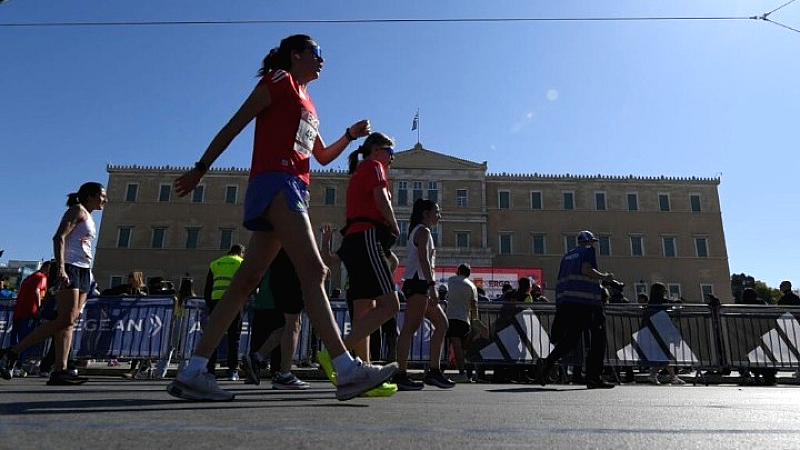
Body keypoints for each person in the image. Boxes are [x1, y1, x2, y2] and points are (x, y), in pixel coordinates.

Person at [167, 34, 396, 402]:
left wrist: (350, 136)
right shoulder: (279, 81)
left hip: (293, 185)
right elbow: (236, 123)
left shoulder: (309, 103)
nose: (322, 60)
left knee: (246, 281)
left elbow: (321, 156)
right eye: (316, 53)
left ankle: (194, 370)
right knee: (315, 271)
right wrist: (200, 168)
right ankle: (346, 368)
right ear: (296, 55)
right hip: (278, 181)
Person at [0, 182, 107, 385]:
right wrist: (60, 268)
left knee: (69, 321)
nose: (105, 200)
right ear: (90, 195)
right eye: (102, 196)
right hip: (71, 268)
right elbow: (59, 237)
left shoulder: (89, 216)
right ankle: (12, 352)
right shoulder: (76, 210)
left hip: (84, 270)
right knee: (65, 319)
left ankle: (60, 370)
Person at [328, 132, 400, 366]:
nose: (392, 158)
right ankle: (338, 352)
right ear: (377, 149)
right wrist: (395, 225)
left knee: (363, 311)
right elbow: (381, 200)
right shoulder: (374, 166)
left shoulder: (360, 170)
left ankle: (363, 368)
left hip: (353, 241)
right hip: (367, 236)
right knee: (391, 305)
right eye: (390, 152)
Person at [537, 230, 615, 389]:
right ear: (589, 242)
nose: (593, 244)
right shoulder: (588, 251)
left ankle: (547, 362)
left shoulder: (567, 256)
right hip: (588, 302)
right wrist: (605, 277)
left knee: (571, 338)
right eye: (592, 242)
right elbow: (586, 270)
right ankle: (594, 377)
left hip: (569, 302)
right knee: (598, 338)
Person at [392, 199, 455, 390]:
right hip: (419, 283)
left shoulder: (420, 231)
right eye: (436, 211)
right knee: (410, 328)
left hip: (418, 284)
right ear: (426, 213)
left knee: (442, 324)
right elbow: (423, 259)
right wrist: (432, 285)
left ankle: (434, 371)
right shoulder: (423, 231)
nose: (439, 215)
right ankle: (401, 374)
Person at [242, 249, 311, 390]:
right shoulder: (291, 229)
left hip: (278, 275)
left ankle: (257, 357)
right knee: (294, 324)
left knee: (289, 325)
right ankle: (284, 374)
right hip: (290, 273)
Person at [204, 244, 246, 381]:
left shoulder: (215, 263)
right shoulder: (241, 262)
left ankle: (210, 369)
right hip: (234, 302)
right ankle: (232, 370)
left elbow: (208, 288)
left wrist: (210, 304)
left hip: (216, 302)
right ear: (241, 252)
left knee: (214, 336)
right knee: (234, 338)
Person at [9, 260, 51, 377]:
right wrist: (38, 308)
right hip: (30, 312)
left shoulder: (29, 278)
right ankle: (18, 366)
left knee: (15, 339)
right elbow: (37, 291)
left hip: (19, 311)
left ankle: (10, 365)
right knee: (26, 340)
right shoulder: (41, 277)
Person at [644, 282, 686, 385]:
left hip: (653, 330)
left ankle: (658, 375)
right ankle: (668, 377)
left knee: (663, 354)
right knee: (664, 354)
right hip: (662, 330)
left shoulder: (651, 302)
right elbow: (673, 305)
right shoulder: (663, 302)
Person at [446, 264, 479, 383]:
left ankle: (462, 372)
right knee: (462, 347)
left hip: (452, 317)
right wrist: (475, 321)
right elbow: (474, 305)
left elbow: (447, 295)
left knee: (457, 346)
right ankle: (463, 369)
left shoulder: (451, 280)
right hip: (465, 319)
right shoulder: (472, 286)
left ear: (458, 271)